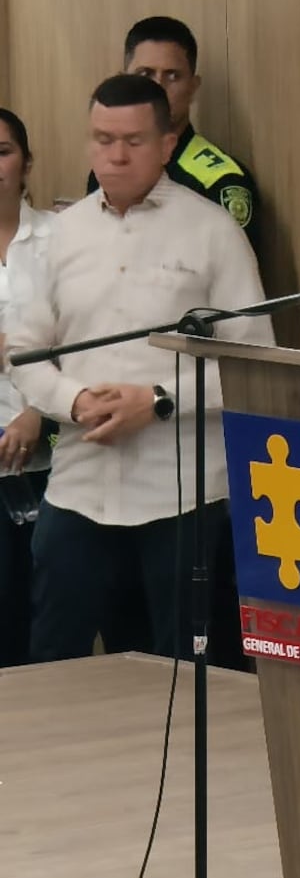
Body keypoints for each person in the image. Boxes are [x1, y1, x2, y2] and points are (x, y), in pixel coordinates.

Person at [7, 74, 274, 664]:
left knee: (188, 670)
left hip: (183, 495)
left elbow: (250, 364)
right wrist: (76, 401)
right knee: (53, 658)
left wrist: (156, 400)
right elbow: (24, 353)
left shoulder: (214, 232)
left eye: (132, 140)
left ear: (167, 143)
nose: (116, 155)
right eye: (102, 139)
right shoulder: (64, 233)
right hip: (78, 486)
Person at [88, 16, 262, 257]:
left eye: (172, 76)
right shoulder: (107, 169)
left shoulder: (219, 182)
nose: (157, 88)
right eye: (145, 74)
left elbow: (237, 287)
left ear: (193, 87)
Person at [0, 108, 55, 667]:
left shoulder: (61, 238)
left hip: (53, 458)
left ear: (26, 161)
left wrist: (39, 410)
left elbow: (83, 341)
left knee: (45, 619)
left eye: (2, 152)